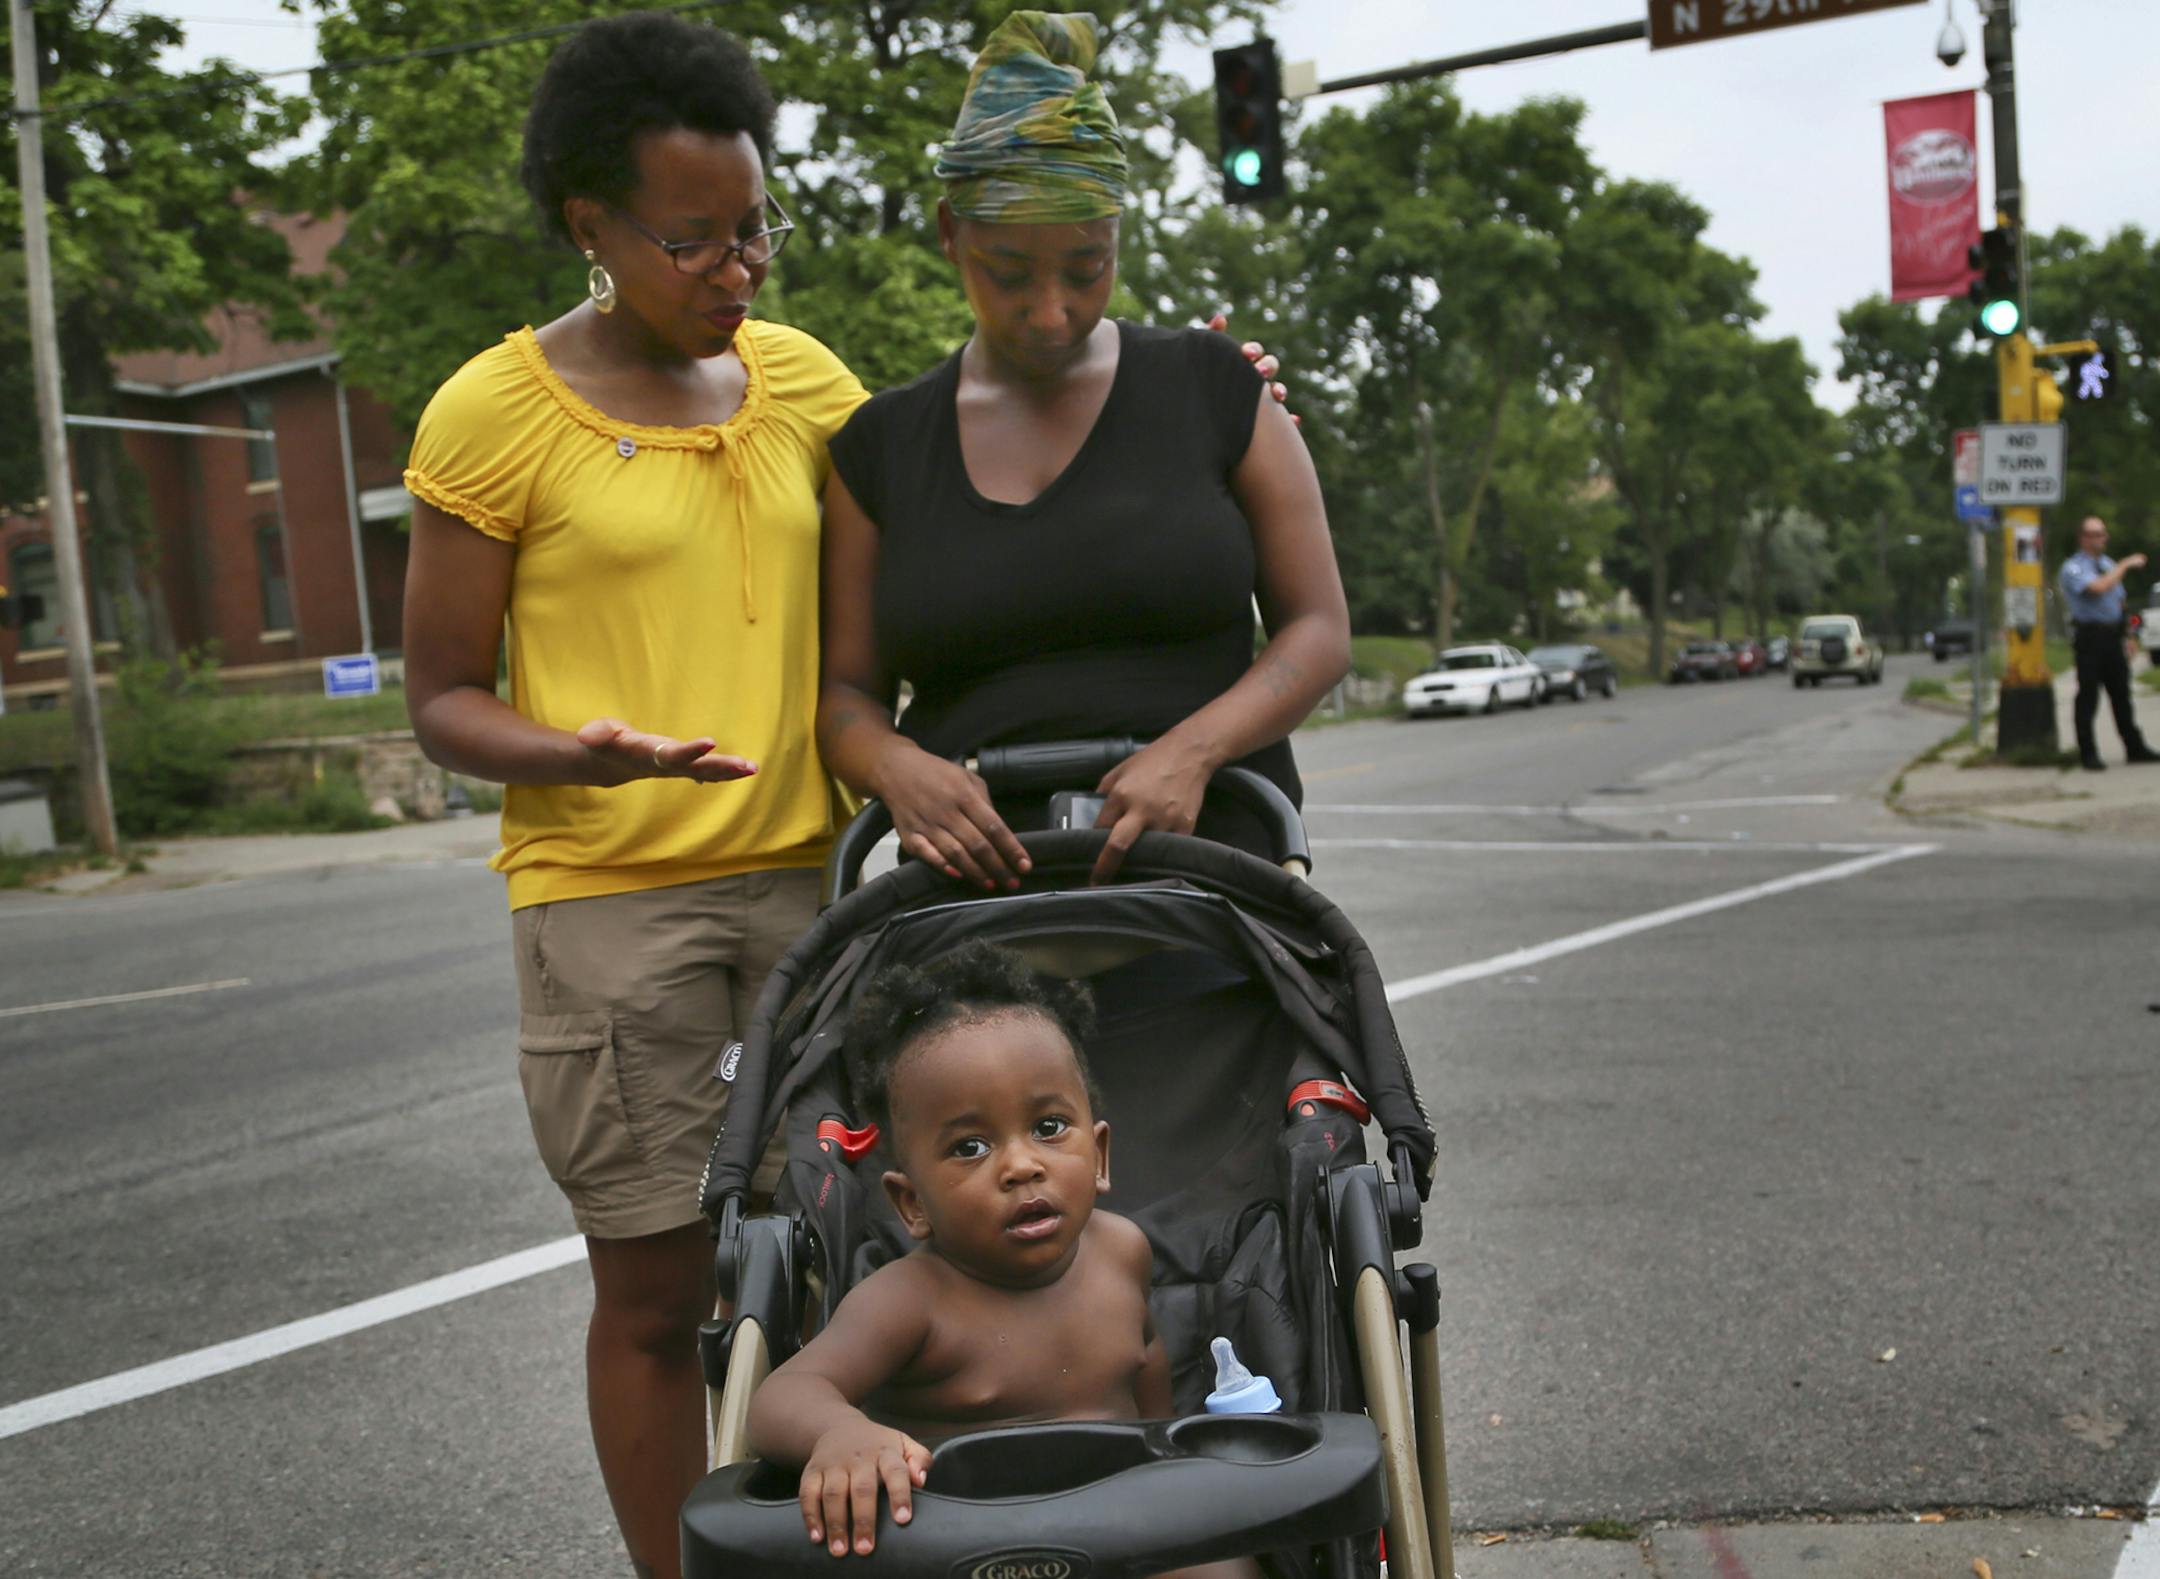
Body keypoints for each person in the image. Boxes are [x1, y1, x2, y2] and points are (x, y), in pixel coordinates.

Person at [399, 16, 1289, 1573]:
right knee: (664, 1290)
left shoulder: (805, 383)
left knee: (821, 1260)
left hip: (825, 890)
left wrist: (1199, 393)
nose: (737, 268)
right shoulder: (495, 411)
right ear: (592, 226)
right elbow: (441, 698)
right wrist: (576, 750)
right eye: (695, 239)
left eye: (756, 228)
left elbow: (994, 459)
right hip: (618, 896)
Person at [816, 11, 1350, 889]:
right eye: (1010, 272)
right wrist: (891, 768)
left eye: (1086, 266)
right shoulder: (881, 449)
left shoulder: (1212, 386)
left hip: (1206, 876)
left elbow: (1320, 630)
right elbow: (846, 698)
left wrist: (1193, 751)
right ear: (951, 234)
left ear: (1118, 236)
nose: (1054, 310)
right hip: (972, 905)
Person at [745, 942, 1255, 1579]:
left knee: (1221, 1565)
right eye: (970, 1146)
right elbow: (783, 1394)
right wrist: (840, 1432)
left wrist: (1174, 1457)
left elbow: (1144, 1359)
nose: (1020, 1166)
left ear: (1098, 1157)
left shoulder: (1122, 1250)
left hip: (1124, 1526)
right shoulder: (908, 1300)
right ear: (912, 1203)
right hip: (974, 1553)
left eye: (1048, 1128)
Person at [2058, 515, 2156, 771]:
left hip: (2113, 637)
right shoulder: (2074, 568)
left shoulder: (2107, 564)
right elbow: (2098, 588)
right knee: (2089, 696)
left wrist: (2129, 636)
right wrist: (2125, 564)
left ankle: (2134, 747)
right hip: (2091, 637)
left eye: (2103, 533)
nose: (2102, 538)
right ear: (2083, 538)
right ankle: (2088, 752)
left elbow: (2119, 602)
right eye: (2096, 534)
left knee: (2122, 695)